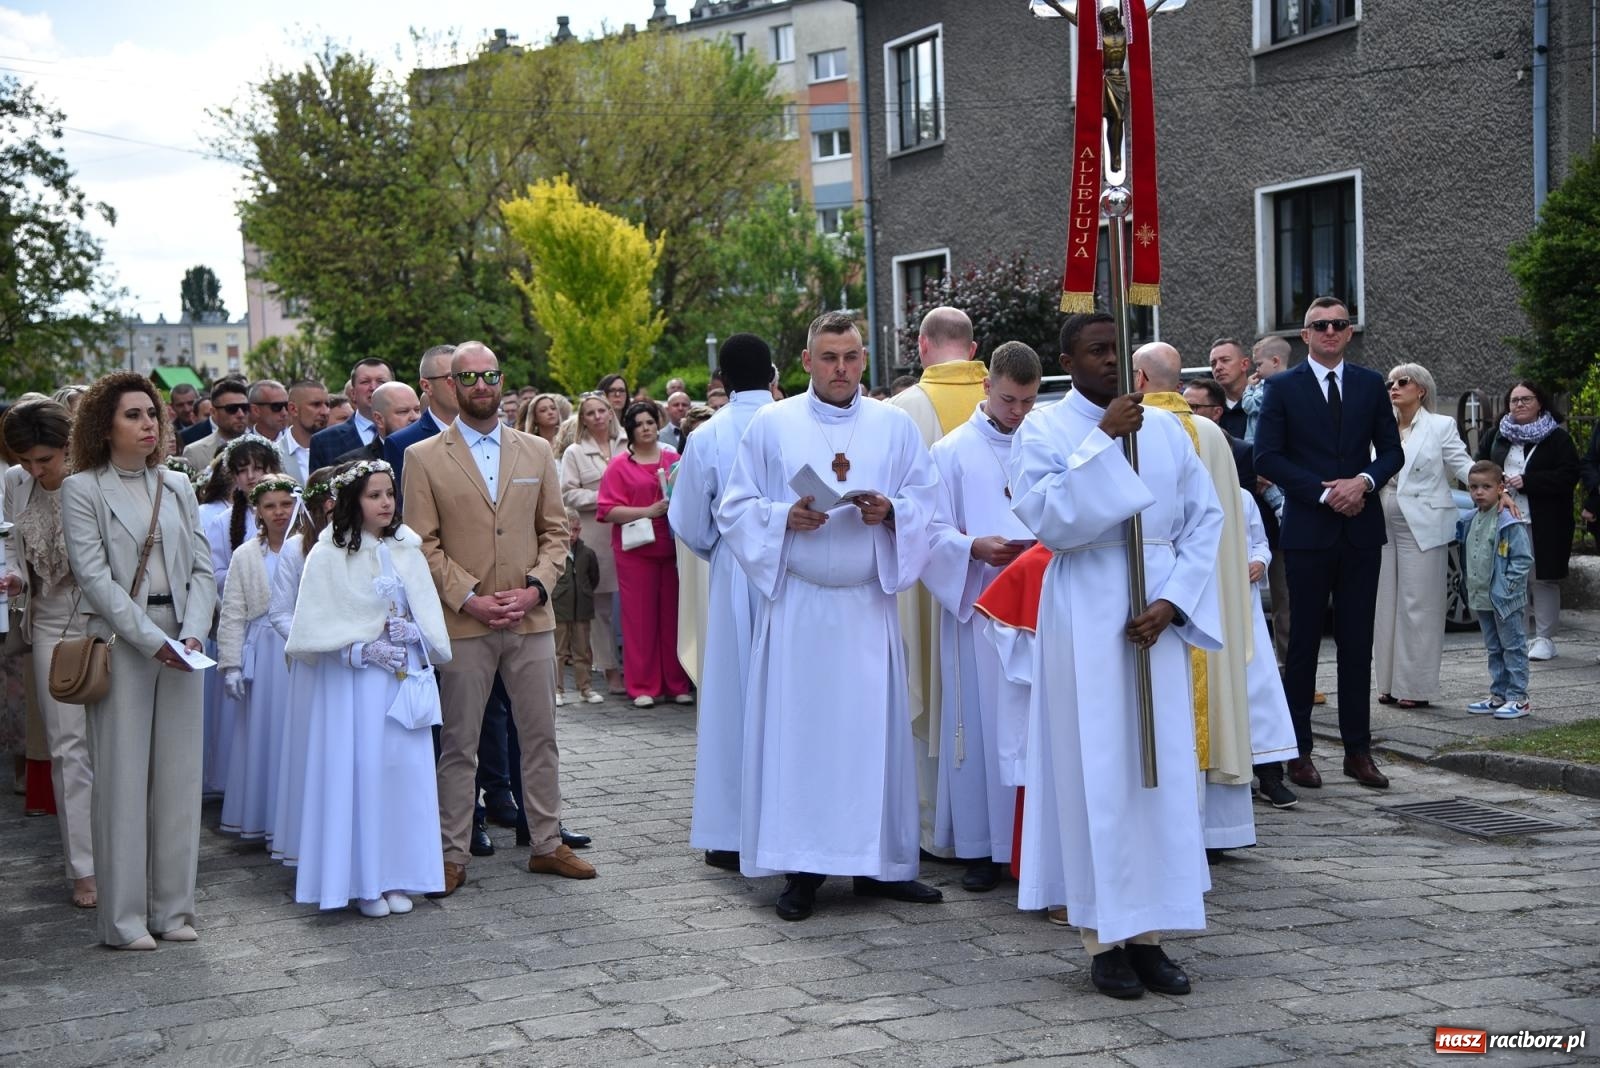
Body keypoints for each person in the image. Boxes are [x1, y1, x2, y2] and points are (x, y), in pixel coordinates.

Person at [1009, 313, 1223, 999]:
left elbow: (1204, 519)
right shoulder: (1044, 430)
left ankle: (1153, 935)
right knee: (1095, 773)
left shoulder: (1164, 429)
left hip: (1151, 615)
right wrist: (1102, 443)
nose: (1111, 363)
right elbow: (1047, 519)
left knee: (1154, 778)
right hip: (1086, 610)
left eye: (1117, 352)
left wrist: (1175, 601)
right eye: (1096, 352)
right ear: (1067, 360)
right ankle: (1102, 938)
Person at [718, 310, 944, 922]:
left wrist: (891, 512)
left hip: (867, 605)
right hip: (801, 606)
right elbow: (734, 507)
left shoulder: (894, 426)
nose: (840, 369)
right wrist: (780, 517)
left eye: (849, 357)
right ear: (806, 361)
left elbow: (930, 502)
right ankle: (803, 868)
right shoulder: (772, 423)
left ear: (863, 360)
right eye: (828, 357)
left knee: (872, 739)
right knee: (804, 740)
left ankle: (881, 866)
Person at [404, 342, 592, 896]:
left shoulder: (536, 450)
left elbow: (556, 532)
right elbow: (421, 543)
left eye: (489, 375)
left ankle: (547, 843)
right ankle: (450, 852)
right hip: (464, 621)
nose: (481, 385)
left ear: (502, 380)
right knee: (459, 742)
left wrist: (536, 588)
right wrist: (469, 597)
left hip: (530, 619)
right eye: (468, 377)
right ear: (450, 386)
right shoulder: (424, 457)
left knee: (540, 735)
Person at [61, 372, 215, 950]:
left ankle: (172, 911)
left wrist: (194, 634)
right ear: (105, 426)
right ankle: (123, 920)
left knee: (179, 782)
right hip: (123, 642)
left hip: (184, 642)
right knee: (122, 781)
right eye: (133, 415)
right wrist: (153, 641)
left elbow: (202, 568)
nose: (148, 423)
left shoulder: (176, 486)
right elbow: (94, 578)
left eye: (152, 413)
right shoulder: (82, 489)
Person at [285, 460, 449, 915]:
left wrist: (415, 634)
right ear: (353, 500)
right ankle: (363, 881)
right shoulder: (328, 554)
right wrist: (361, 651)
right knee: (362, 774)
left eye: (389, 494)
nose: (385, 503)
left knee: (402, 776)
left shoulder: (406, 549)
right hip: (355, 689)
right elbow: (316, 630)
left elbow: (425, 614)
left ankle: (399, 874)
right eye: (374, 495)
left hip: (400, 683)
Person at [1255, 296, 1404, 791]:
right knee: (1302, 646)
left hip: (1361, 528)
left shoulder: (1367, 384)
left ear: (1349, 331)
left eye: (1339, 324)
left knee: (1357, 641)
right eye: (1321, 326)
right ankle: (1297, 750)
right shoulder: (1280, 388)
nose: (1331, 332)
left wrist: (1361, 481)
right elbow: (1268, 457)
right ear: (1305, 335)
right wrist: (1325, 492)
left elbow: (1391, 452)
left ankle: (1358, 751)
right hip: (1309, 530)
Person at [920, 341, 1039, 891]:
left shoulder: (1044, 445)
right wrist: (971, 547)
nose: (1017, 412)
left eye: (1028, 402)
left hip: (1037, 607)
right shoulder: (950, 451)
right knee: (981, 726)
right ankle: (979, 848)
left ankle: (1031, 844)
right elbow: (929, 532)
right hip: (978, 605)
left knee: (1031, 728)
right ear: (987, 387)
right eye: (1009, 399)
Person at [1136, 345, 1256, 855]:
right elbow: (1221, 529)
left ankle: (1165, 825)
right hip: (1207, 593)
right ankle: (1216, 829)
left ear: (1139, 378)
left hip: (1156, 589)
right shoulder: (1210, 433)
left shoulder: (1137, 431)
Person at [667, 334, 776, 872]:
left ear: (722, 383)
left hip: (735, 571)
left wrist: (724, 549)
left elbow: (685, 519)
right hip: (796, 570)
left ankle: (730, 833)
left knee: (733, 699)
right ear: (776, 373)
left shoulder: (708, 435)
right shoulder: (796, 423)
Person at [889, 306, 992, 862]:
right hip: (1000, 579)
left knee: (925, 686)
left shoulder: (902, 410)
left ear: (922, 348)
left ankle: (933, 825)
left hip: (926, 577)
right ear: (973, 350)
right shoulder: (1009, 399)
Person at [1, 399, 96, 908]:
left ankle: (127, 854)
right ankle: (83, 868)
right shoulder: (15, 482)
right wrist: (14, 579)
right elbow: (18, 554)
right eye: (25, 460)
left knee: (115, 746)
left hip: (106, 622)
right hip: (50, 620)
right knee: (67, 748)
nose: (35, 470)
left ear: (67, 447)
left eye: (45, 460)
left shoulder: (94, 479)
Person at [1374, 364, 1474, 708]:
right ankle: (1386, 683)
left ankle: (1414, 688)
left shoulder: (1440, 425)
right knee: (1384, 603)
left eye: (1403, 381)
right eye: (1390, 382)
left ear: (1422, 390)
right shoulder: (1380, 427)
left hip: (1424, 522)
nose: (1394, 387)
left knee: (1420, 605)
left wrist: (1494, 485)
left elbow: (1462, 465)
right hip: (1381, 522)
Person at [217, 474, 301, 842]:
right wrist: (231, 664)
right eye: (270, 506)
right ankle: (263, 817)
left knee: (295, 733)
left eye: (285, 504)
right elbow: (233, 611)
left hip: (298, 644)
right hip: (264, 651)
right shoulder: (246, 555)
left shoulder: (308, 549)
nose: (279, 512)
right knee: (263, 732)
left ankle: (295, 818)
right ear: (258, 513)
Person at [1475, 381, 1581, 661]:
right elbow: (1479, 468)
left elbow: (1569, 475)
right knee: (1510, 579)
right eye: (1514, 400)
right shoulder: (1496, 436)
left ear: (1540, 404)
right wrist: (1494, 487)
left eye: (1526, 399)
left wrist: (1529, 481)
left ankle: (1545, 638)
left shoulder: (1557, 439)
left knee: (1542, 578)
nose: (1519, 404)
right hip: (1505, 519)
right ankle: (1516, 636)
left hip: (1543, 520)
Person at [266, 467, 339, 867]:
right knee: (310, 755)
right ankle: (305, 846)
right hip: (312, 666)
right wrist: (314, 642)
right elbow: (279, 612)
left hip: (351, 666)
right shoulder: (296, 551)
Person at [597, 401, 690, 708]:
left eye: (651, 422)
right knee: (639, 621)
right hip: (636, 552)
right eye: (639, 424)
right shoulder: (619, 465)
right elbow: (607, 510)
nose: (647, 427)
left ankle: (677, 683)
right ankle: (642, 686)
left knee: (673, 618)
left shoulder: (674, 458)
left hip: (673, 547)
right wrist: (647, 511)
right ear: (630, 430)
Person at [561, 394, 628, 695]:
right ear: (583, 419)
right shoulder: (575, 452)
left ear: (611, 413)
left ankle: (636, 666)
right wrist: (604, 499)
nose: (598, 416)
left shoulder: (628, 443)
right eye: (591, 412)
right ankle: (609, 668)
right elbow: (567, 494)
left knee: (631, 604)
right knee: (600, 606)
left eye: (603, 410)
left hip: (633, 529)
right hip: (596, 532)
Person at [1463, 460, 1534, 719]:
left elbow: (1523, 558)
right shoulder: (1472, 519)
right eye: (1473, 487)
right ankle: (1499, 694)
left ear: (1500, 488)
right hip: (1482, 597)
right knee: (1494, 648)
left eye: (1486, 487)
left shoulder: (1508, 521)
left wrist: (1509, 586)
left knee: (1512, 645)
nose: (1479, 492)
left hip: (1505, 599)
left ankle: (1518, 697)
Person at [383, 345, 458, 500]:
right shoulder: (402, 443)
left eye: (466, 376)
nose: (461, 384)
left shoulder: (486, 432)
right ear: (426, 385)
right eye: (450, 378)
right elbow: (404, 507)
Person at [552, 508, 602, 707]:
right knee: (558, 652)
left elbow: (593, 578)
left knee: (583, 651)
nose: (571, 535)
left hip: (582, 611)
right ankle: (557, 689)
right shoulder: (554, 554)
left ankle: (585, 688)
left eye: (575, 530)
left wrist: (585, 594)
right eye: (567, 530)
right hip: (559, 610)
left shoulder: (587, 553)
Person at [309, 358, 394, 473]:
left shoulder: (411, 433)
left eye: (381, 381)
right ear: (353, 394)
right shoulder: (324, 441)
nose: (373, 387)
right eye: (365, 382)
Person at [338, 382, 419, 464]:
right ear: (379, 419)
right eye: (403, 411)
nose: (415, 417)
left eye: (417, 410)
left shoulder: (430, 452)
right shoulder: (352, 464)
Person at [182, 379, 250, 470]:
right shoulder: (194, 452)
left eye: (245, 408)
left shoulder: (264, 447)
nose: (241, 414)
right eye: (232, 409)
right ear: (213, 412)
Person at [276, 379, 330, 483]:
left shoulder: (339, 447)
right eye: (316, 404)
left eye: (327, 405)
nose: (325, 412)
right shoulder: (276, 454)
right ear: (293, 409)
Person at [1207, 338, 1251, 440]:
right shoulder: (1209, 408)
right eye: (1213, 363)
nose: (1218, 367)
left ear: (1244, 364)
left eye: (1225, 360)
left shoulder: (1261, 402)